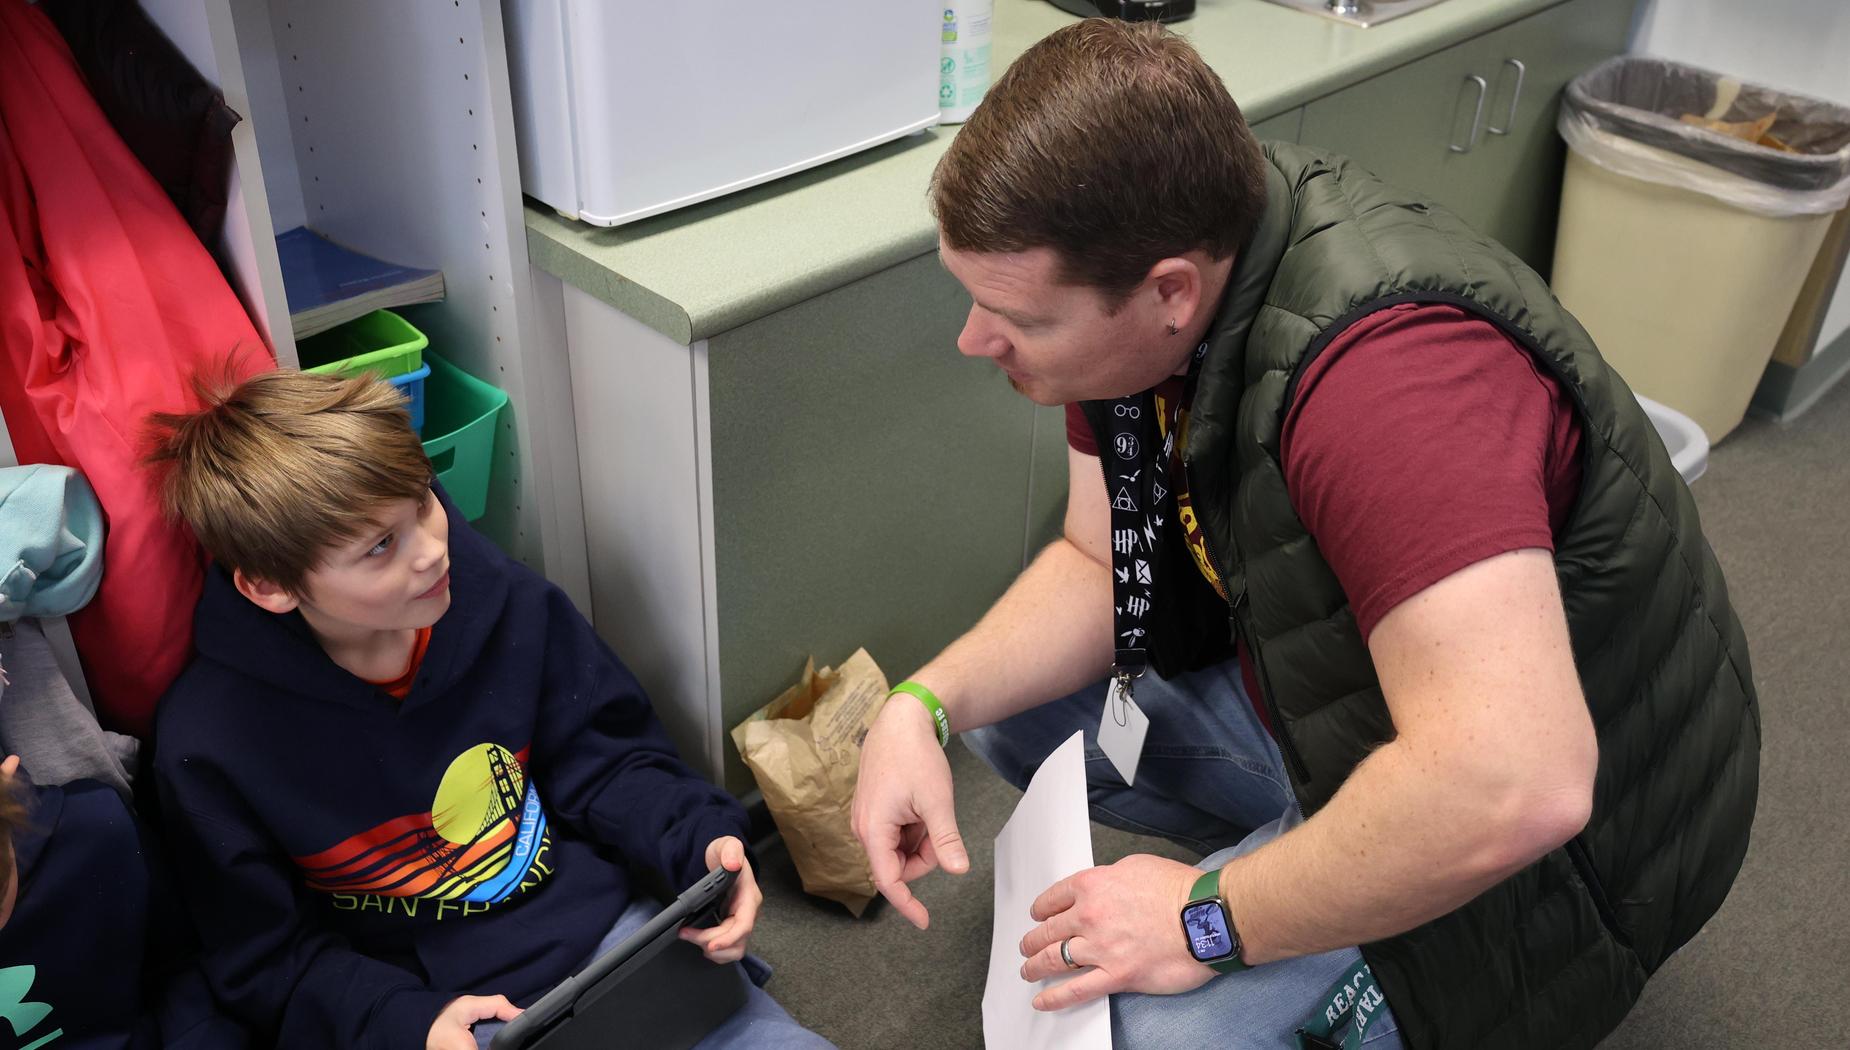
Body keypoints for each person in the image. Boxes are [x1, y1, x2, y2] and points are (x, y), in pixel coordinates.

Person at [852, 19, 1758, 1050]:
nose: (974, 341)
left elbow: (1519, 786)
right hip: (1376, 700)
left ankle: (1329, 898)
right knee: (1003, 712)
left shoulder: (1386, 387)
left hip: (1565, 839)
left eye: (1015, 315)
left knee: (1154, 1038)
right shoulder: (1162, 265)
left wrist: (1207, 919)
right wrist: (914, 706)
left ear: (1166, 294)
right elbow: (1096, 561)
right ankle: (1309, 861)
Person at [145, 370, 833, 1050]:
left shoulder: (508, 603)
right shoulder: (206, 743)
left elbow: (608, 762)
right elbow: (267, 960)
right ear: (269, 586)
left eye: (422, 501)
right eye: (380, 546)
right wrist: (406, 1021)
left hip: (605, 940)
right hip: (434, 1013)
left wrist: (699, 841)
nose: (433, 549)